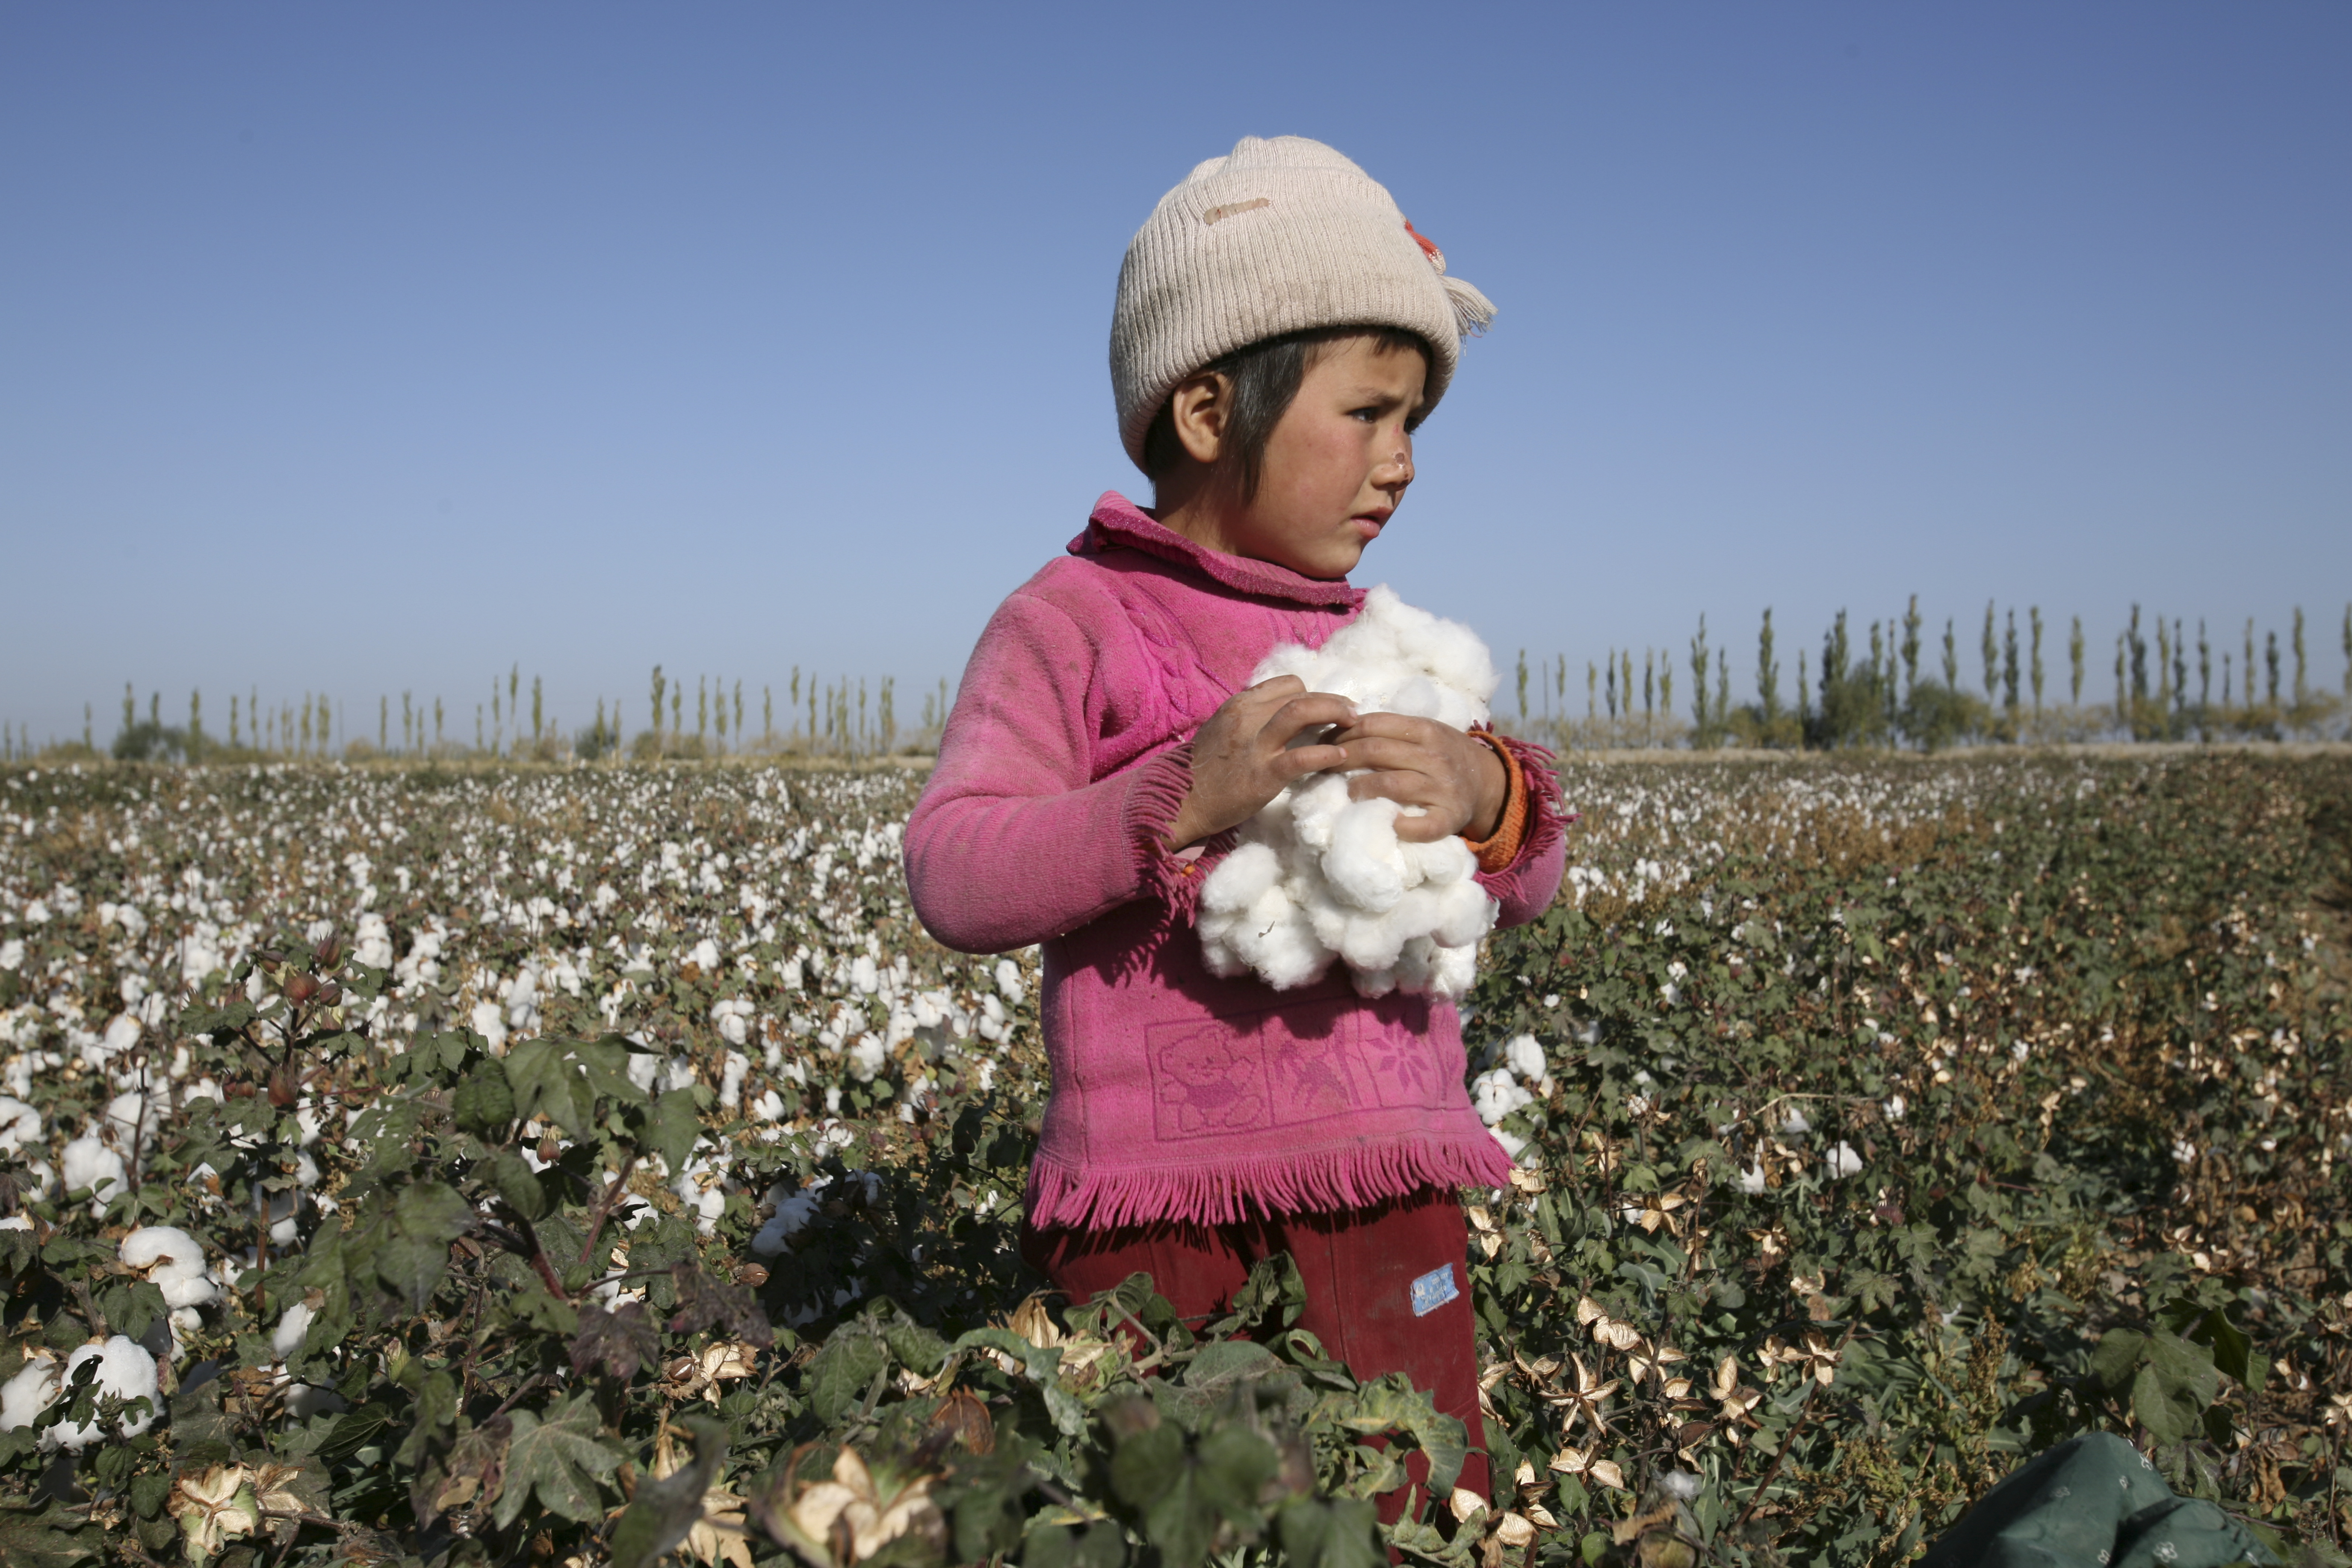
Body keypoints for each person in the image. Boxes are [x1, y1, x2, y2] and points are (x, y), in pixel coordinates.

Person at [904, 135, 1566, 1516]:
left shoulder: (1387, 644)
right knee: (1159, 1521)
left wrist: (1489, 798)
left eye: (1414, 426)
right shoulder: (1074, 623)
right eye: (1367, 413)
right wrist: (1174, 801)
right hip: (1152, 1220)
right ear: (1207, 411)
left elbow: (1527, 876)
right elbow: (954, 869)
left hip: (1390, 1201)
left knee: (1404, 1515)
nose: (1399, 464)